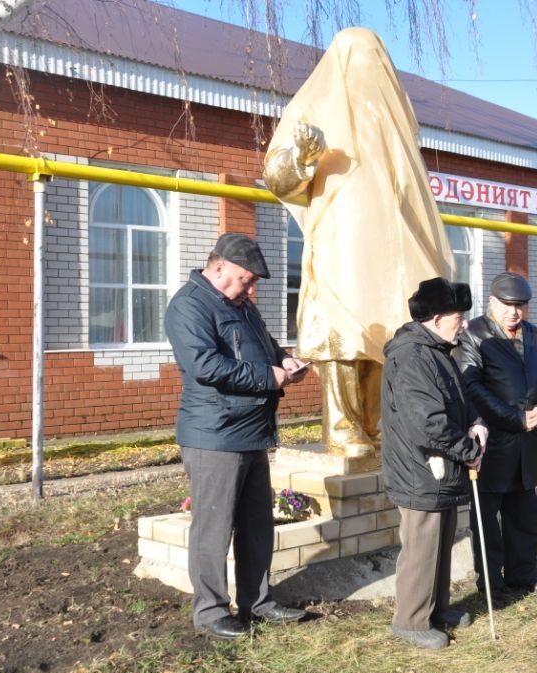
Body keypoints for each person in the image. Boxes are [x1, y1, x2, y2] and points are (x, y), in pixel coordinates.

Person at [264, 28, 456, 457]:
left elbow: (413, 189)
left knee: (386, 328)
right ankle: (343, 426)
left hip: (390, 246)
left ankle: (378, 423)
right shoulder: (314, 108)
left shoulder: (393, 117)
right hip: (342, 239)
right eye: (359, 58)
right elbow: (277, 176)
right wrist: (303, 157)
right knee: (343, 330)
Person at [165, 233, 310, 640]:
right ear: (218, 268)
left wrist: (283, 359)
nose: (251, 289)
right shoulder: (188, 306)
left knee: (256, 523)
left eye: (252, 283)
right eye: (246, 280)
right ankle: (211, 611)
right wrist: (270, 376)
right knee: (214, 527)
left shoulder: (242, 306)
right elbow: (206, 366)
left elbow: (263, 347)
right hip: (214, 433)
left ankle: (257, 602)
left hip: (250, 431)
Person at [380, 277, 487, 650]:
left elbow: (458, 396)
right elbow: (428, 423)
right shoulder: (411, 356)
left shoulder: (438, 350)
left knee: (440, 542)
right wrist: (468, 450)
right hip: (420, 468)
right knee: (422, 545)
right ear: (438, 318)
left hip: (439, 468)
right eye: (459, 317)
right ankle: (410, 620)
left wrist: (475, 421)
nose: (465, 324)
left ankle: (436, 610)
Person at [453, 272, 537, 598]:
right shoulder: (475, 335)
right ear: (492, 302)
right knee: (486, 519)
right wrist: (515, 417)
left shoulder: (532, 333)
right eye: (507, 304)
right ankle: (491, 582)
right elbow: (472, 387)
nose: (514, 312)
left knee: (524, 514)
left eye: (520, 305)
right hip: (492, 442)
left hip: (528, 442)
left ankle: (523, 574)